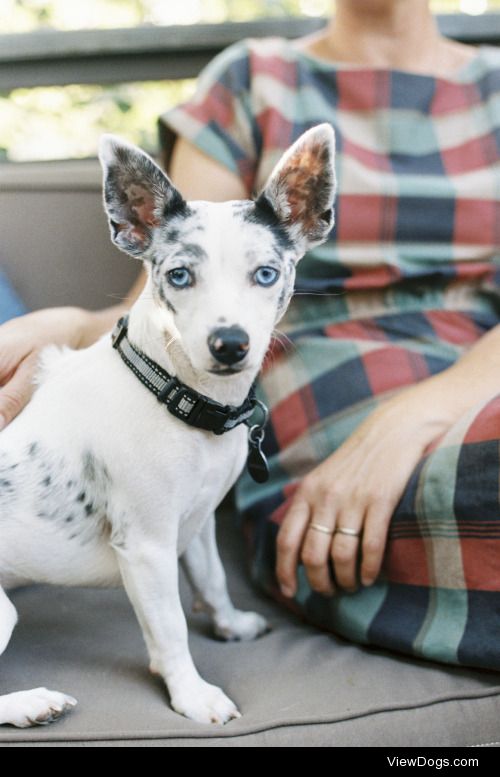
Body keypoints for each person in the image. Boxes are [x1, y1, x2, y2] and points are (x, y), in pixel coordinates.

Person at [1, 0, 500, 669]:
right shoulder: (251, 79)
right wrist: (72, 330)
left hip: (480, 379)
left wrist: (409, 420)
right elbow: (175, 286)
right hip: (323, 412)